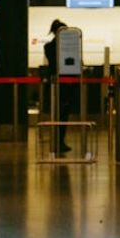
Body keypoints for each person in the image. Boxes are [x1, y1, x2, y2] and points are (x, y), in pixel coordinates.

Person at [43, 19, 76, 153]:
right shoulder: (59, 47)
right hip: (62, 84)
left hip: (57, 84)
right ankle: (59, 141)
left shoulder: (49, 46)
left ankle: (59, 141)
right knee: (62, 113)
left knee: (59, 113)